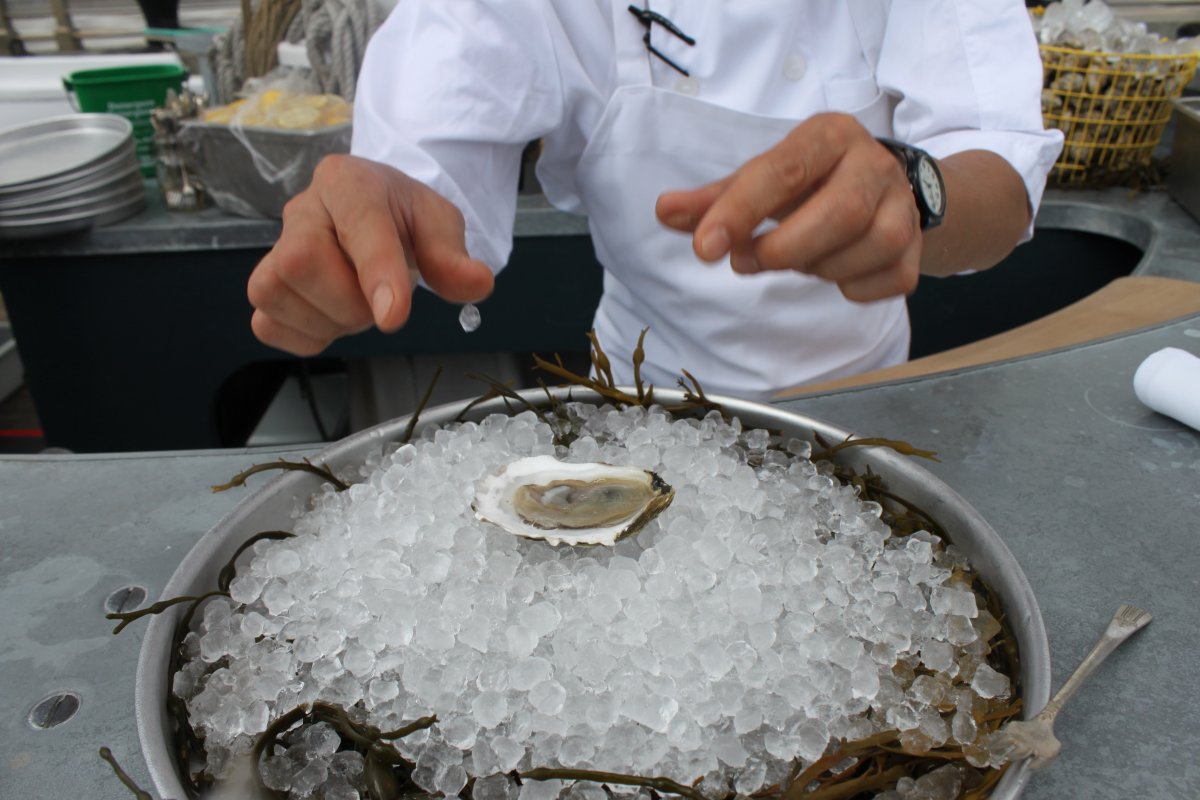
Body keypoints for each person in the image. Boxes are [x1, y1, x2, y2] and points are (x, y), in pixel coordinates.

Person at [247, 1, 1063, 400]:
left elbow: (996, 167)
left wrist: (914, 191)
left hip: (866, 405)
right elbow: (434, 134)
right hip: (637, 397)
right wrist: (386, 203)